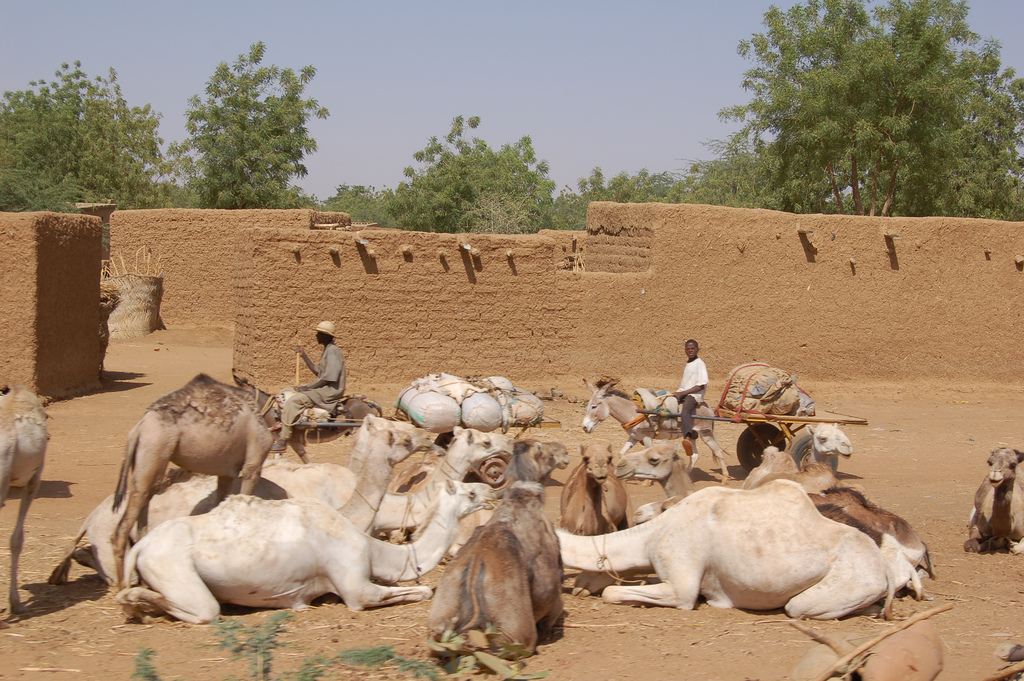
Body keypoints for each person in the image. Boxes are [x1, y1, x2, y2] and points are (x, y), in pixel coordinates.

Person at [270, 321, 346, 453]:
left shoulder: (333, 351)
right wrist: (303, 355)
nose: (316, 336)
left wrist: (308, 389)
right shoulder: (328, 350)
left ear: (325, 335)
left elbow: (329, 378)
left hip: (330, 390)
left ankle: (283, 440)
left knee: (293, 402)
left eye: (318, 334)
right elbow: (319, 372)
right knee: (288, 390)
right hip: (325, 387)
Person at [672, 339, 707, 444]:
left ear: (697, 350)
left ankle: (687, 436)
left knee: (685, 410)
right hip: (684, 392)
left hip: (694, 395)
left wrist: (682, 393)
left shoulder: (699, 363)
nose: (690, 351)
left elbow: (701, 385)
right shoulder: (689, 363)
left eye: (692, 348)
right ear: (685, 351)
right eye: (688, 349)